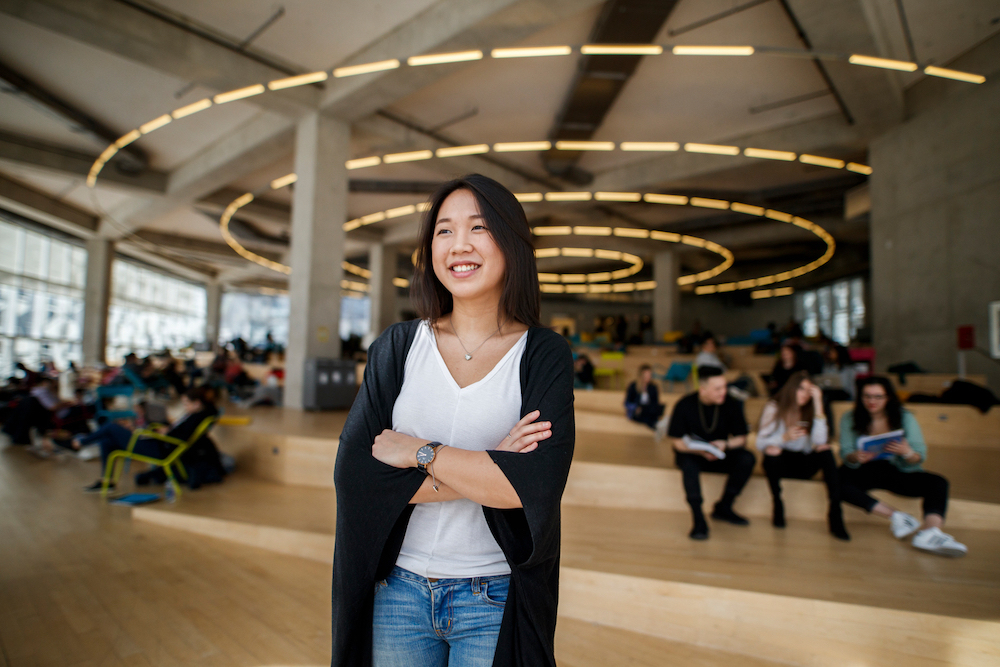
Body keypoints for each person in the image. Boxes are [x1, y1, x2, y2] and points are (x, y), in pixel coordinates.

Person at [331, 174, 575, 667]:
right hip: (396, 592)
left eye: (478, 227)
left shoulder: (543, 354)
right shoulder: (398, 348)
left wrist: (422, 455)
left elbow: (534, 488)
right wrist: (493, 465)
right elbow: (356, 480)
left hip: (494, 598)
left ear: (511, 242)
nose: (458, 245)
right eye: (444, 230)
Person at [838, 376, 967, 557]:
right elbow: (846, 453)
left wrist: (906, 452)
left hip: (898, 471)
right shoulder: (849, 418)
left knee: (938, 482)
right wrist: (855, 456)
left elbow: (918, 457)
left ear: (888, 397)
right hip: (866, 469)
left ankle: (930, 532)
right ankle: (898, 517)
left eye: (878, 397)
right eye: (866, 396)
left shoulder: (905, 417)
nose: (871, 401)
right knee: (836, 479)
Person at [757, 371, 849, 540]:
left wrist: (819, 404)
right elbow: (760, 443)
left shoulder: (812, 409)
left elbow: (819, 440)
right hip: (781, 461)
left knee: (825, 449)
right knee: (772, 451)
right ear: (792, 388)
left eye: (809, 391)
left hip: (803, 462)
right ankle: (777, 503)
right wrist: (784, 437)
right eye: (801, 389)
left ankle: (835, 512)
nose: (804, 395)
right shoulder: (774, 406)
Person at [667, 365, 755, 539]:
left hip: (721, 453)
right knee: (687, 464)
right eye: (717, 389)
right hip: (695, 454)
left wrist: (725, 444)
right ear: (703, 389)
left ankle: (724, 506)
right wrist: (701, 452)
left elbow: (742, 438)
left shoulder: (730, 403)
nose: (723, 392)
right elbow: (677, 441)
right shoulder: (685, 404)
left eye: (724, 387)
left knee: (747, 458)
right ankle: (698, 518)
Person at [82, 387, 218, 492]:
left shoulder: (195, 418)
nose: (185, 407)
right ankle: (106, 481)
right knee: (107, 442)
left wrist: (163, 433)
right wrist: (164, 431)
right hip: (161, 444)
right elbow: (178, 433)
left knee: (111, 427)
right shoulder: (195, 415)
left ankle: (80, 443)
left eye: (187, 404)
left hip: (161, 448)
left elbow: (180, 437)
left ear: (197, 403)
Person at [624, 364, 666, 433]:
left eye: (650, 374)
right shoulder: (633, 386)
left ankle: (656, 425)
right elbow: (627, 402)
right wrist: (636, 407)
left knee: (650, 411)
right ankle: (656, 425)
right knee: (647, 415)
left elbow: (655, 402)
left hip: (649, 411)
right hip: (637, 412)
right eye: (647, 375)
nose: (649, 377)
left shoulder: (653, 387)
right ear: (641, 375)